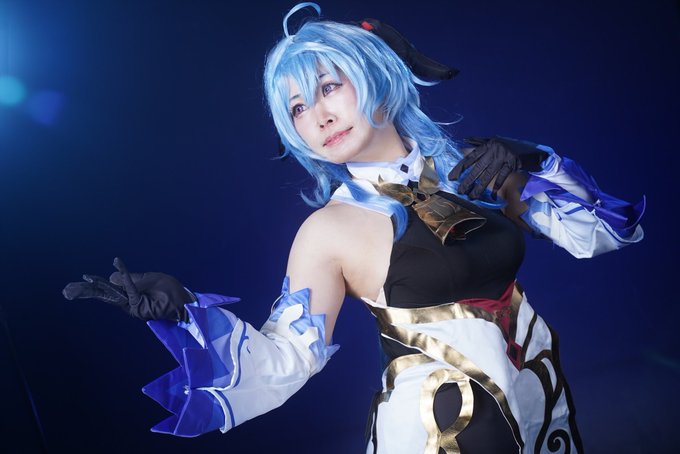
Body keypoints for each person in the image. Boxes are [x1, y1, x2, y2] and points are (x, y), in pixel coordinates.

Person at [63, 3, 644, 453]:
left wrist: (536, 160)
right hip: (436, 433)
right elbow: (286, 361)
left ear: (374, 76)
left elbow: (599, 235)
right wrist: (186, 312)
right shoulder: (329, 231)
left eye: (328, 87)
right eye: (297, 108)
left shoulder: (474, 168)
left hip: (539, 408)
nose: (318, 115)